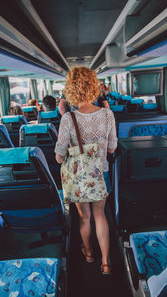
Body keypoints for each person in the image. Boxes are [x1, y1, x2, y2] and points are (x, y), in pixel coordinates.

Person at [55, 67, 117, 274]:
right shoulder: (108, 115)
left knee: (85, 217)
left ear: (70, 90)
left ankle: (89, 253)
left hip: (80, 178)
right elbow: (111, 148)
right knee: (100, 215)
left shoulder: (67, 118)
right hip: (101, 173)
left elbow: (59, 156)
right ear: (94, 86)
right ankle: (106, 262)